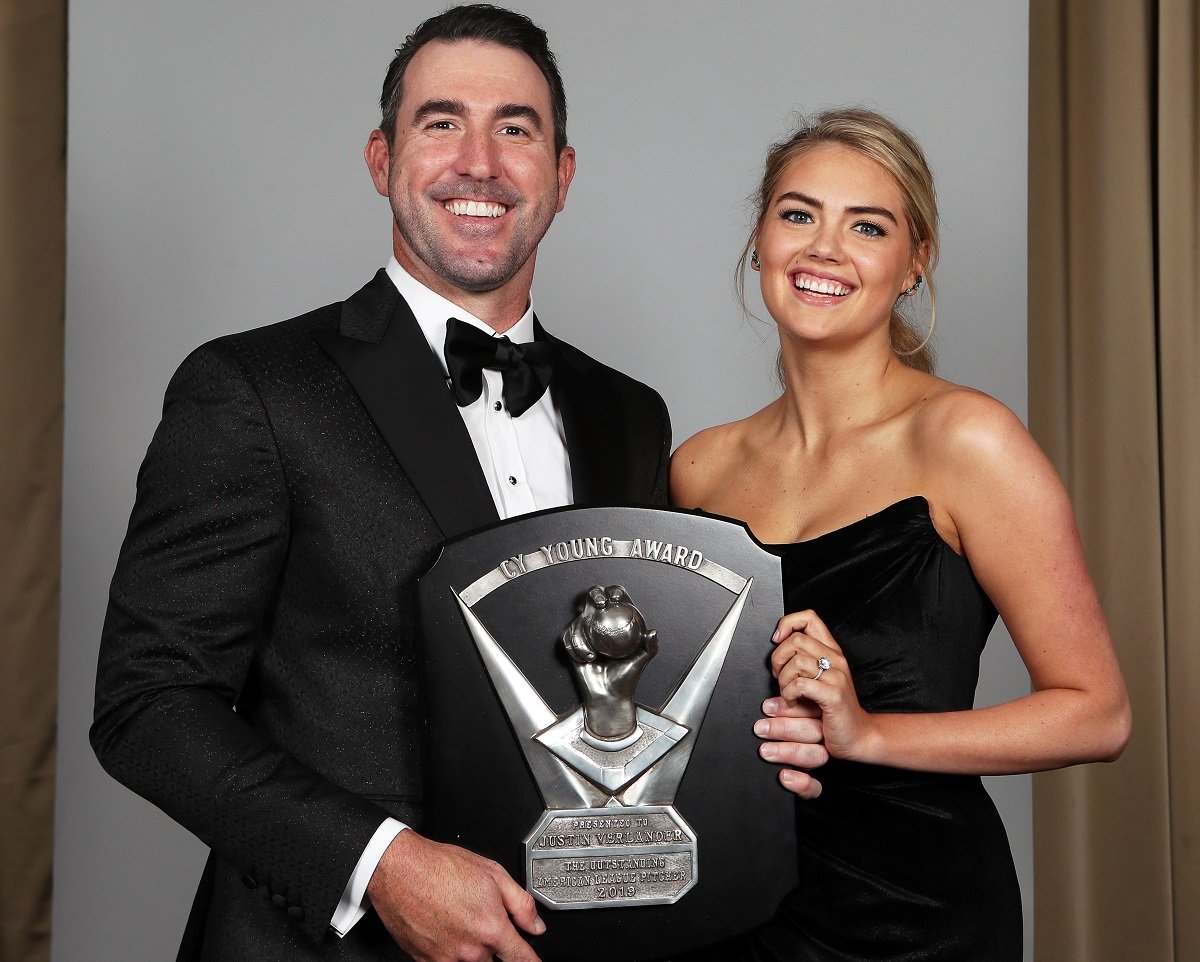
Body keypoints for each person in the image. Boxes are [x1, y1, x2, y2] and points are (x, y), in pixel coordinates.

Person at [90, 6, 670, 962]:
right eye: (442, 122)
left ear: (561, 176)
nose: (479, 160)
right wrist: (385, 865)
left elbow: (632, 679)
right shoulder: (253, 388)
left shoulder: (630, 414)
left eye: (516, 128)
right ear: (380, 159)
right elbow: (148, 705)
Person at [670, 108, 1130, 960]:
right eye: (797, 214)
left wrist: (869, 734)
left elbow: (1098, 713)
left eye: (868, 226)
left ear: (915, 262)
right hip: (725, 909)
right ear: (759, 241)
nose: (823, 250)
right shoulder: (698, 468)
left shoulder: (967, 440)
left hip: (916, 917)